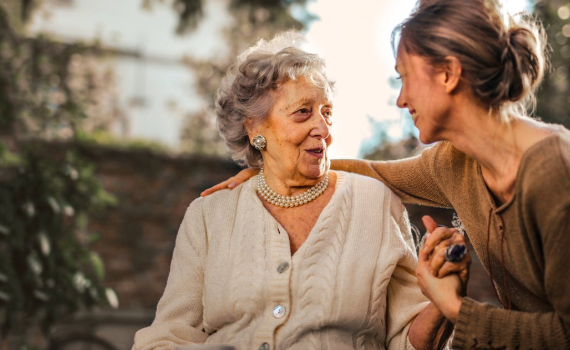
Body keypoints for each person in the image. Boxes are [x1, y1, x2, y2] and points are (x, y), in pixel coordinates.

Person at [201, 0, 570, 350]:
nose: (401, 100)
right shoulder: (456, 162)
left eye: (404, 77)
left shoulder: (561, 179)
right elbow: (376, 173)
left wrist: (454, 306)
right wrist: (273, 169)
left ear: (449, 74)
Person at [133, 32, 464, 350]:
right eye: (303, 112)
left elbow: (409, 341)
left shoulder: (375, 203)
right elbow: (169, 336)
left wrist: (441, 301)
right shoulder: (208, 216)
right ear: (255, 128)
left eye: (327, 113)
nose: (323, 129)